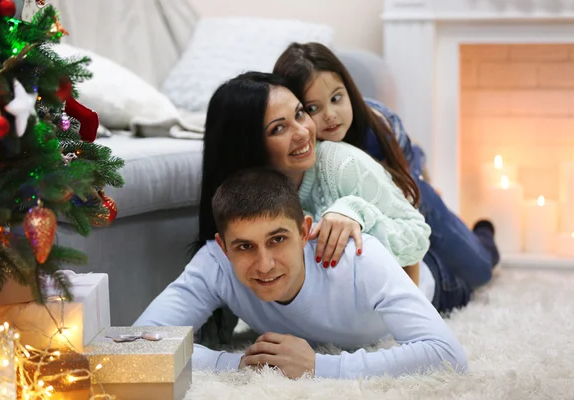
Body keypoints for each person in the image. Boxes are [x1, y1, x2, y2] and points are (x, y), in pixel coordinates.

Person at [135, 167, 467, 379]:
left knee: (476, 260)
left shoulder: (361, 259)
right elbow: (141, 343)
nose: (264, 264)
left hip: (432, 280)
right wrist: (233, 364)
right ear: (223, 247)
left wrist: (319, 367)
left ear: (306, 230)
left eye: (277, 240)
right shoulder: (215, 263)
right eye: (244, 247)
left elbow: (447, 354)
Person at [195, 71, 432, 346]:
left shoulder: (342, 164)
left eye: (299, 114)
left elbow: (418, 238)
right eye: (278, 128)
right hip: (348, 310)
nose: (304, 132)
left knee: (476, 263)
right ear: (249, 146)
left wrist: (356, 211)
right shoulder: (238, 199)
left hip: (417, 278)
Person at [273, 42, 500, 313]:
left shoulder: (372, 129)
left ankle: (484, 234)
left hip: (414, 195)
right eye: (313, 108)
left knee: (481, 271)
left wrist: (424, 180)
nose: (331, 115)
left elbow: (409, 154)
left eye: (337, 98)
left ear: (349, 91)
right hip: (385, 212)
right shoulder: (305, 153)